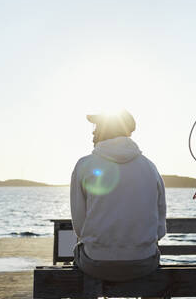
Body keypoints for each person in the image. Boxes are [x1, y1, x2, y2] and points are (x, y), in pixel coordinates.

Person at [70, 109, 167, 281]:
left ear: (104, 130)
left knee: (77, 252)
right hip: (144, 263)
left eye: (96, 126)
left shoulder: (84, 165)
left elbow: (79, 227)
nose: (93, 132)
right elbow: (160, 229)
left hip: (96, 263)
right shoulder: (150, 167)